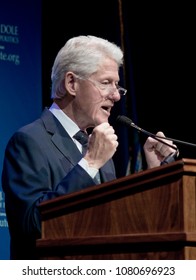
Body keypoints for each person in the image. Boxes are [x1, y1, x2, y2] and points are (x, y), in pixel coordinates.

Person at [1, 35, 178, 260]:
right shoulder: (29, 141)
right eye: (105, 83)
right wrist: (90, 163)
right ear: (71, 83)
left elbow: (117, 223)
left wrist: (154, 175)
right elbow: (30, 225)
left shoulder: (97, 147)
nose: (115, 96)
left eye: (117, 86)